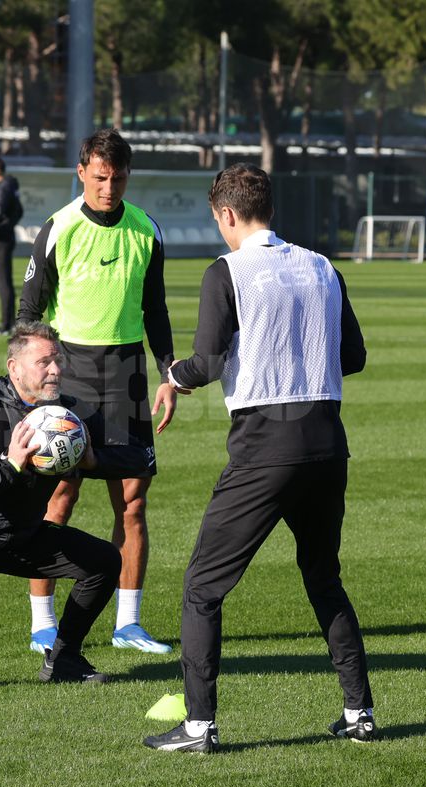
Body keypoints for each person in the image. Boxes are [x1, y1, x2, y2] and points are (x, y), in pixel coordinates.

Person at [143, 164, 374, 753]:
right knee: (324, 578)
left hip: (265, 446)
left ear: (226, 214)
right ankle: (359, 712)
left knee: (202, 588)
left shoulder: (227, 271)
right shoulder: (323, 266)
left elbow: (207, 363)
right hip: (327, 443)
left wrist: (171, 375)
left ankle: (199, 728)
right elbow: (353, 357)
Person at [0, 321, 152, 693]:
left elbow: (138, 457)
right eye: (44, 362)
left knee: (102, 561)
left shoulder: (70, 415)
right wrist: (9, 466)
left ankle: (64, 658)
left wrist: (93, 462)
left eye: (58, 361)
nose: (55, 370)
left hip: (21, 533)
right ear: (14, 368)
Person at [17, 129, 177, 656]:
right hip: (70, 375)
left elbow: (155, 309)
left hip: (128, 374)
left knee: (132, 504)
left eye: (120, 177)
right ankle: (44, 624)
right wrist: (29, 382)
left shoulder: (146, 230)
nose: (110, 187)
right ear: (82, 171)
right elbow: (29, 314)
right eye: (101, 177)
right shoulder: (58, 229)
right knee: (58, 497)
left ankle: (127, 623)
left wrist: (167, 375)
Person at [0, 157, 24, 336]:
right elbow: (19, 211)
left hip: (1, 239)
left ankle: (6, 325)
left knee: (3, 283)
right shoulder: (11, 187)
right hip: (6, 236)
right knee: (5, 281)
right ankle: (8, 323)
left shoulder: (3, 188)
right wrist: (9, 225)